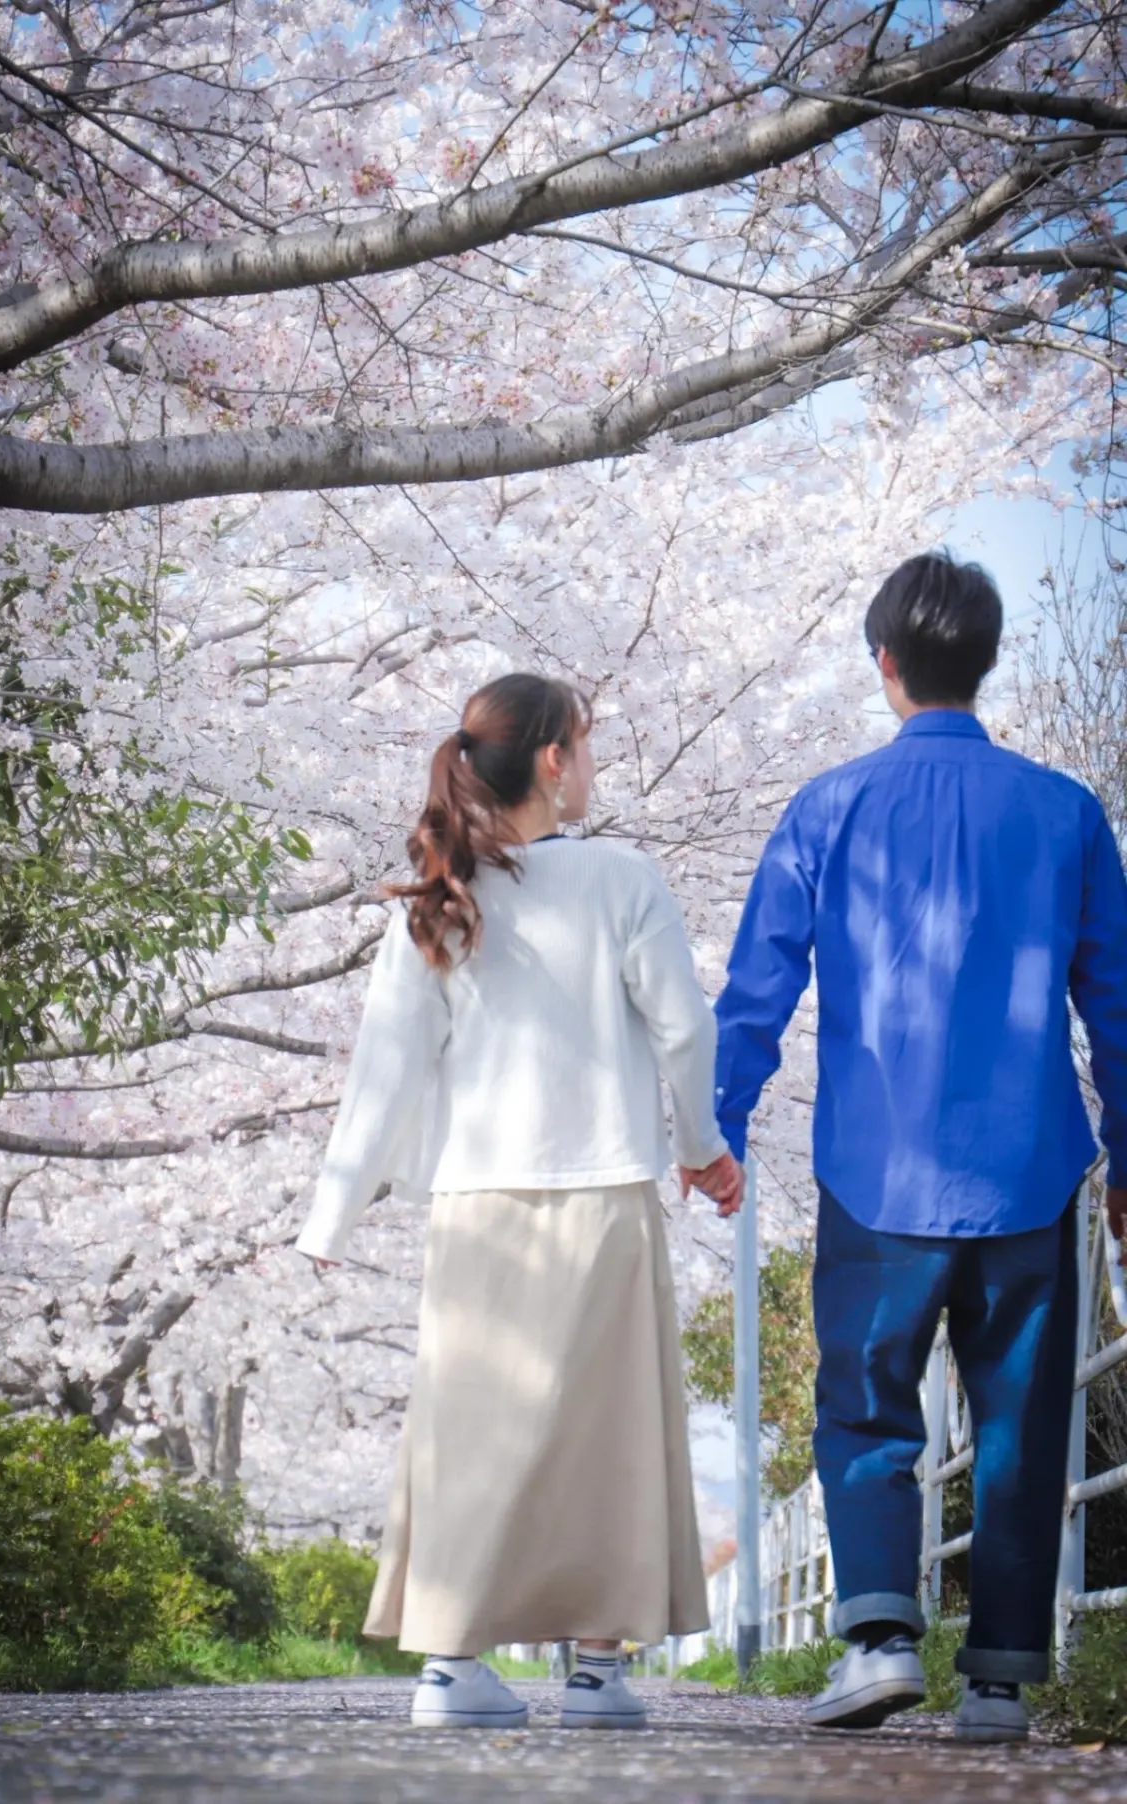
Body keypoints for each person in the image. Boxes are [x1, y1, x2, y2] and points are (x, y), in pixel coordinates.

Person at [712, 552, 1127, 1744]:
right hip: (1030, 1169)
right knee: (1016, 1422)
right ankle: (996, 1677)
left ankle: (882, 1639)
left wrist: (720, 1124)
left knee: (867, 1405)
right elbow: (1117, 1005)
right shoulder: (1066, 813)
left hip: (874, 1172)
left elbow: (756, 990)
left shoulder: (826, 808)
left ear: (884, 665)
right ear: (983, 662)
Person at [296, 672, 741, 1731]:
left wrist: (333, 1213)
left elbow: (388, 1066)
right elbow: (683, 1030)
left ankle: (450, 1668)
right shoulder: (625, 878)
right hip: (603, 1189)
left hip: (478, 1201)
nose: (590, 763)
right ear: (554, 759)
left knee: (472, 1425)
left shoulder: (441, 895)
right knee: (611, 1433)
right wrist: (702, 1147)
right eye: (585, 743)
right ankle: (595, 1672)